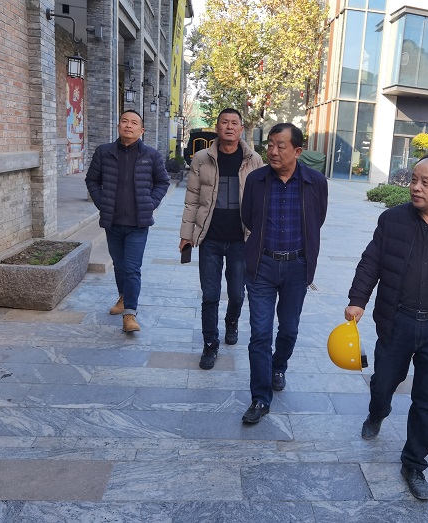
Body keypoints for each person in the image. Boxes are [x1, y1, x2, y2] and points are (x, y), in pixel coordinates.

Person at [345, 154, 428, 500]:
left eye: (425, 182)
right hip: (397, 320)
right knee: (382, 383)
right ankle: (378, 412)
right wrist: (358, 299)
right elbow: (371, 261)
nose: (415, 187)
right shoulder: (393, 220)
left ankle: (414, 464)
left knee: (427, 400)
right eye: (413, 180)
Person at [240, 123, 328, 424]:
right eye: (270, 145)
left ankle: (278, 367)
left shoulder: (316, 182)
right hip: (262, 266)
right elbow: (248, 217)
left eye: (281, 146)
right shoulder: (256, 180)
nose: (273, 151)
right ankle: (260, 398)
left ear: (297, 151)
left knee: (289, 329)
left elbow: (318, 218)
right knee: (260, 333)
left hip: (296, 267)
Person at [179, 108, 264, 370]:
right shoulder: (202, 159)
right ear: (217, 127)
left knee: (237, 295)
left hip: (241, 240)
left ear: (241, 129)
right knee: (210, 296)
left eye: (234, 123)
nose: (229, 127)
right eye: (224, 122)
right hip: (210, 240)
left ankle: (231, 321)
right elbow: (192, 199)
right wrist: (186, 236)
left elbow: (262, 202)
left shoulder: (254, 160)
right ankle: (210, 345)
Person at [85, 109, 170, 332]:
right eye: (124, 121)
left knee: (132, 268)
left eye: (134, 123)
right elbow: (92, 180)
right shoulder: (104, 152)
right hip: (112, 222)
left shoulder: (151, 155)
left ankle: (129, 314)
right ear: (118, 126)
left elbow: (163, 182)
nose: (128, 125)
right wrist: (102, 203)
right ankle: (123, 297)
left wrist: (151, 203)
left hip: (138, 224)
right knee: (120, 265)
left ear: (142, 130)